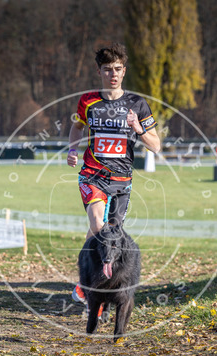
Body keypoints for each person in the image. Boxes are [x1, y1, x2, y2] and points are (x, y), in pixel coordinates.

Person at [67, 43, 161, 311]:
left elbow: (155, 145)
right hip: (92, 175)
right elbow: (77, 127)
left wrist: (138, 127)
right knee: (98, 226)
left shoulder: (137, 104)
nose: (113, 74)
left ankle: (97, 288)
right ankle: (89, 286)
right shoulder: (88, 101)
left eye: (118, 69)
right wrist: (72, 149)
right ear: (99, 71)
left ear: (124, 71)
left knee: (113, 234)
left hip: (122, 181)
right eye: (107, 69)